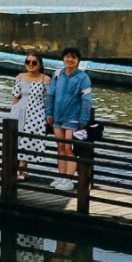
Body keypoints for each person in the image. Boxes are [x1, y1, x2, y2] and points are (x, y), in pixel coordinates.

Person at [50, 47, 94, 194]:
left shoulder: (83, 77)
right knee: (60, 147)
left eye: (73, 58)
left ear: (78, 61)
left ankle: (69, 180)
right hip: (57, 116)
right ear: (63, 58)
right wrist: (48, 112)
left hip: (73, 118)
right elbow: (50, 95)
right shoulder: (57, 74)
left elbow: (86, 100)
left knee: (69, 148)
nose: (70, 60)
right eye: (67, 57)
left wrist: (83, 119)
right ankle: (61, 176)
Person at [11, 52, 52, 178]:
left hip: (36, 112)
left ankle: (21, 170)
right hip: (19, 110)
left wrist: (48, 114)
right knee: (16, 140)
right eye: (28, 62)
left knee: (27, 140)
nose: (31, 64)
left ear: (40, 65)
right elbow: (16, 96)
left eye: (34, 62)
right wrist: (14, 111)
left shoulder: (45, 79)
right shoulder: (20, 77)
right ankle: (20, 170)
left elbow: (49, 99)